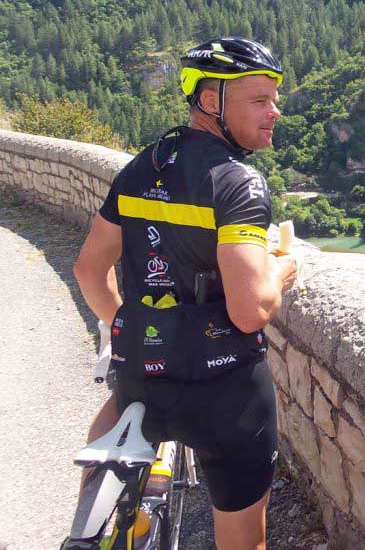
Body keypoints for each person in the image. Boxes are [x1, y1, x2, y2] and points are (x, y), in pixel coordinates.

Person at [72, 37, 298, 550]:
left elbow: (88, 269)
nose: (275, 112)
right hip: (226, 395)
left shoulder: (142, 167)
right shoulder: (238, 184)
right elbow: (251, 310)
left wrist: (125, 327)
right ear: (212, 100)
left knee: (104, 466)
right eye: (260, 100)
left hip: (142, 379)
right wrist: (282, 270)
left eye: (274, 99)